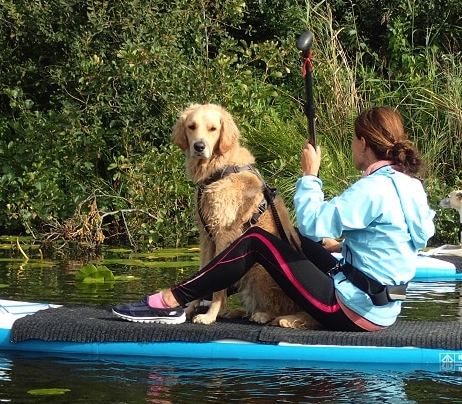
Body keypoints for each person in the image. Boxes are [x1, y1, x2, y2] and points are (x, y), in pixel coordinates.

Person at [112, 106, 436, 331]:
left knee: (257, 240)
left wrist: (310, 176)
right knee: (293, 236)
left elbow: (314, 220)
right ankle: (213, 296)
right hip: (384, 309)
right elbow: (417, 237)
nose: (351, 146)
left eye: (353, 140)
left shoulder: (372, 189)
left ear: (363, 144)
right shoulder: (411, 186)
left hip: (351, 310)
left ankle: (171, 300)